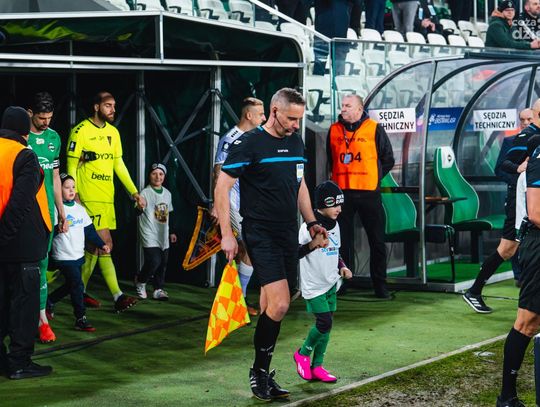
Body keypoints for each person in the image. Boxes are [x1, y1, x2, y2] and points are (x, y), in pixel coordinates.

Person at [214, 88, 327, 401]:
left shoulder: (296, 141)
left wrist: (311, 222)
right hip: (259, 232)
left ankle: (263, 371)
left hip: (287, 231)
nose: (295, 125)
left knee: (274, 302)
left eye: (299, 119)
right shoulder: (249, 143)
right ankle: (258, 373)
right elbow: (222, 187)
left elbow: (300, 184)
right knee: (280, 304)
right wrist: (227, 234)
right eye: (290, 118)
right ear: (274, 111)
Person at [66, 91, 146, 313]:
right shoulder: (80, 131)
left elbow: (119, 165)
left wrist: (134, 192)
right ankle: (118, 296)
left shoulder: (113, 133)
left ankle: (77, 291)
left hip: (107, 198)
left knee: (93, 247)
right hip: (88, 197)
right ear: (96, 107)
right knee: (105, 243)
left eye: (114, 105)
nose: (112, 109)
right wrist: (75, 195)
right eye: (108, 105)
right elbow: (71, 165)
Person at [463, 103, 540, 313]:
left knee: (509, 248)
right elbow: (505, 164)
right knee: (508, 248)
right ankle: (474, 291)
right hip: (521, 202)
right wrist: (519, 167)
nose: (525, 122)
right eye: (523, 119)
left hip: (529, 199)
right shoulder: (527, 136)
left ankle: (474, 291)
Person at [0, 106, 53, 379]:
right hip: (20, 244)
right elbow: (20, 204)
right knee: (24, 306)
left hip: (4, 246)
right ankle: (19, 362)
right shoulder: (24, 155)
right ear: (24, 131)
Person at [326, 94, 394, 298]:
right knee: (341, 240)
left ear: (359, 109)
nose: (343, 109)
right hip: (342, 194)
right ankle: (342, 283)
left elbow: (388, 159)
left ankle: (380, 286)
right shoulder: (334, 130)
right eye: (342, 105)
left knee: (377, 240)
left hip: (368, 192)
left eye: (348, 105)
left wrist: (374, 177)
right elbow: (331, 160)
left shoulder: (374, 128)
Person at [496, 135, 540, 407]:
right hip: (537, 245)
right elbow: (536, 213)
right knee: (528, 322)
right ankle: (507, 397)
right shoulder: (539, 158)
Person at [293, 181, 353, 383]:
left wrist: (342, 266)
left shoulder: (336, 225)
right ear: (322, 204)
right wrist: (313, 244)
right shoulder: (306, 228)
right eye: (334, 204)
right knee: (324, 322)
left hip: (331, 283)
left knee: (328, 325)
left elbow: (336, 251)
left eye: (340, 204)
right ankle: (302, 354)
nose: (339, 209)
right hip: (314, 286)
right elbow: (295, 254)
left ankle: (317, 365)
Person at [212, 97, 266, 316]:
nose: (264, 118)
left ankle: (234, 301)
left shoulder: (255, 137)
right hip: (233, 204)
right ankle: (239, 302)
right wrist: (217, 205)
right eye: (261, 114)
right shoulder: (230, 139)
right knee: (250, 247)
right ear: (248, 115)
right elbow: (218, 172)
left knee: (243, 250)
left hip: (249, 204)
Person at [48, 174, 110, 332]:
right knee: (77, 284)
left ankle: (49, 301)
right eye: (66, 187)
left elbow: (90, 231)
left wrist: (102, 244)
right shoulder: (55, 209)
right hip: (63, 256)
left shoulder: (80, 210)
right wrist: (58, 229)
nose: (71, 190)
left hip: (78, 256)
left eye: (73, 187)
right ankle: (80, 318)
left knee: (72, 284)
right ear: (58, 189)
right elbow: (49, 234)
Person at [27, 91, 66, 343]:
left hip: (46, 213)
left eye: (49, 117)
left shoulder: (54, 138)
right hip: (23, 214)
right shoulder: (19, 138)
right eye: (42, 118)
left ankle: (42, 319)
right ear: (30, 113)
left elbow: (54, 176)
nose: (46, 122)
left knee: (42, 265)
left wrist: (61, 211)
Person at [135, 163, 177, 301]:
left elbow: (169, 213)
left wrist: (172, 232)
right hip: (149, 232)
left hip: (163, 233)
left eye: (161, 174)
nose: (157, 177)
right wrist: (139, 207)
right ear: (149, 175)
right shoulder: (145, 193)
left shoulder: (168, 194)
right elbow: (137, 211)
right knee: (154, 260)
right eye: (154, 173)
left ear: (164, 176)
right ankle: (141, 281)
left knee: (163, 262)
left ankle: (158, 289)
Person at [313, 0, 351, 76]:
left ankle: (338, 84)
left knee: (339, 74)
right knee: (318, 71)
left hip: (340, 34)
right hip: (322, 34)